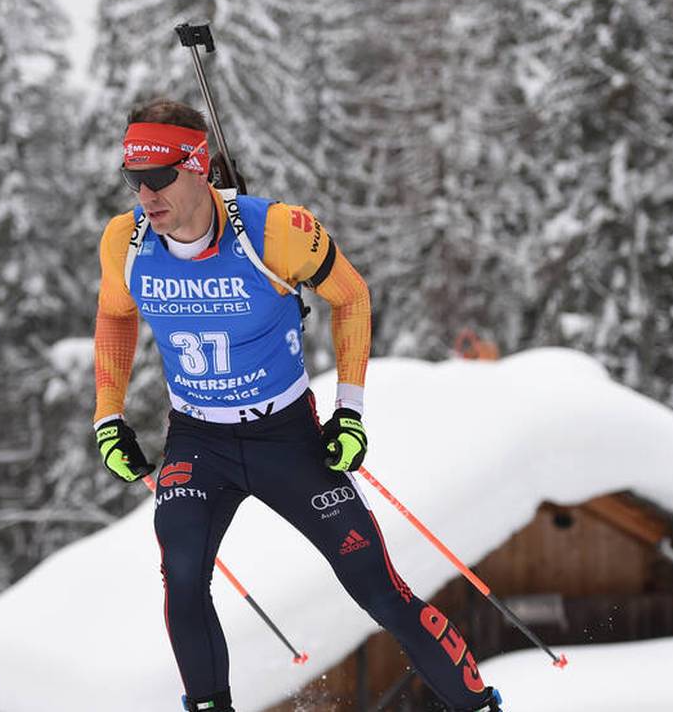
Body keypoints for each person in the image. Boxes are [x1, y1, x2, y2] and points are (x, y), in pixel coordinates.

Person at [93, 98, 503, 712]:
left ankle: (478, 707)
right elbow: (115, 316)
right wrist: (108, 416)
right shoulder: (126, 242)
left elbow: (353, 298)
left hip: (286, 438)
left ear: (198, 166)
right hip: (198, 442)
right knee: (181, 577)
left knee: (376, 587)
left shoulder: (275, 232)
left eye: (160, 177)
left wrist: (351, 412)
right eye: (134, 178)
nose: (146, 195)